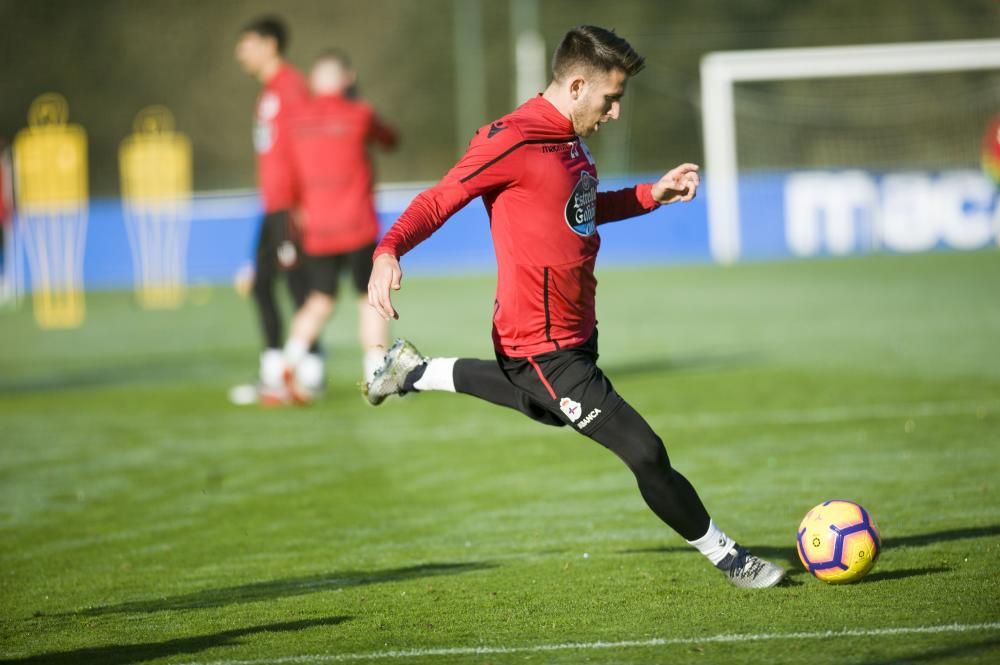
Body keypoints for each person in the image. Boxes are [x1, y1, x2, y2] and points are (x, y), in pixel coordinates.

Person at [364, 26, 784, 588]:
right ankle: (729, 557)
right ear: (579, 85)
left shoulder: (569, 139)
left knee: (543, 407)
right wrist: (389, 248)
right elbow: (440, 197)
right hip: (540, 344)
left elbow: (578, 210)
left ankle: (412, 372)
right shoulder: (509, 138)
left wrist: (647, 196)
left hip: (576, 330)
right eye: (610, 99)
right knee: (644, 450)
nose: (613, 113)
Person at [280, 50, 399, 401]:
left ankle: (287, 363)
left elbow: (288, 175)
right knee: (369, 299)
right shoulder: (359, 114)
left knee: (319, 300)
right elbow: (390, 139)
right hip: (357, 224)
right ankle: (376, 372)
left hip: (317, 227)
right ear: (347, 78)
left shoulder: (296, 120)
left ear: (315, 81)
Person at [234, 15, 324, 403]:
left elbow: (308, 147)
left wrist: (304, 203)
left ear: (270, 44)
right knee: (262, 284)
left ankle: (309, 373)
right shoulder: (268, 92)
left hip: (291, 206)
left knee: (297, 287)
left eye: (248, 42)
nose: (240, 51)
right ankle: (275, 371)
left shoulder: (290, 87)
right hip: (273, 207)